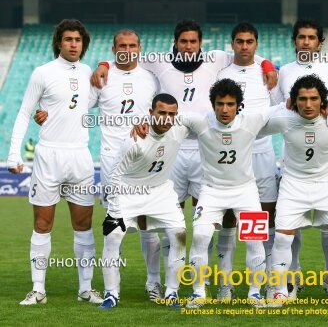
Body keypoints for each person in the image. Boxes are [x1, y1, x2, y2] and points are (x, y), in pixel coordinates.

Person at [91, 21, 277, 292]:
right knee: (161, 219)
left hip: (205, 150)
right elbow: (126, 55)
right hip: (172, 151)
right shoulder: (159, 62)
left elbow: (246, 54)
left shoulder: (215, 59)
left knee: (213, 223)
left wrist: (268, 65)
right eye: (184, 42)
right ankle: (158, 282)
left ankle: (220, 282)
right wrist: (104, 65)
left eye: (193, 42)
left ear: (201, 44)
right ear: (175, 44)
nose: (189, 46)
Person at [33, 29, 164, 301]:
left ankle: (153, 284)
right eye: (121, 45)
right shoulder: (100, 78)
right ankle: (110, 289)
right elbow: (75, 107)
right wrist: (45, 113)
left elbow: (164, 113)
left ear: (140, 48)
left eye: (132, 45)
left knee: (147, 223)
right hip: (111, 162)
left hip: (145, 160)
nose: (127, 49)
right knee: (113, 226)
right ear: (113, 49)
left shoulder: (152, 79)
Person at [7, 19, 102, 305]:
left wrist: (105, 67)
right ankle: (38, 289)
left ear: (83, 44)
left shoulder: (87, 72)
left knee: (84, 225)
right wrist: (14, 153)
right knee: (42, 223)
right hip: (49, 155)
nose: (74, 44)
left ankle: (86, 289)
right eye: (68, 39)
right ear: (59, 42)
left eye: (78, 39)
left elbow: (90, 101)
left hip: (80, 156)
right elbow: (25, 112)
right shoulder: (43, 73)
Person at [260, 74, 328, 308]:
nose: (307, 104)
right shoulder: (284, 117)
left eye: (313, 98)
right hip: (294, 185)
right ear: (293, 101)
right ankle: (279, 291)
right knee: (283, 237)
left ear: (322, 101)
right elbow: (252, 123)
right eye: (302, 99)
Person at [272, 19, 328, 299]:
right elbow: (274, 109)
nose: (306, 42)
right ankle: (291, 279)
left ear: (319, 42)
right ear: (295, 41)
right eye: (301, 37)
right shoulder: (284, 73)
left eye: (311, 38)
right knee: (290, 225)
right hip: (293, 161)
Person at [181, 79, 275, 308]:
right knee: (201, 236)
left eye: (230, 104)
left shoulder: (251, 121)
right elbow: (170, 117)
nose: (225, 109)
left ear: (238, 105)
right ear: (212, 105)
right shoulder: (200, 121)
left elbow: (280, 109)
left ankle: (255, 293)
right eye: (220, 104)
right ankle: (199, 292)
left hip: (246, 191)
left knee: (255, 240)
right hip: (211, 191)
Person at [98, 93, 188, 309]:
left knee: (179, 235)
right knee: (113, 235)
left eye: (171, 114)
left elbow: (207, 119)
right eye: (162, 113)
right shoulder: (134, 140)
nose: (166, 118)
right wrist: (115, 209)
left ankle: (172, 292)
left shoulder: (180, 128)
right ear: (151, 113)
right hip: (128, 191)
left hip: (161, 192)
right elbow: (115, 175)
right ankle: (111, 294)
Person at [215, 22, 278, 301]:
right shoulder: (220, 71)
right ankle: (225, 285)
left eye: (249, 41)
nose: (244, 46)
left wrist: (267, 64)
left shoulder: (269, 75)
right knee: (228, 219)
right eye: (239, 41)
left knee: (262, 219)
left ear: (256, 44)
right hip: (230, 154)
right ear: (232, 44)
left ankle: (261, 286)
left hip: (262, 151)